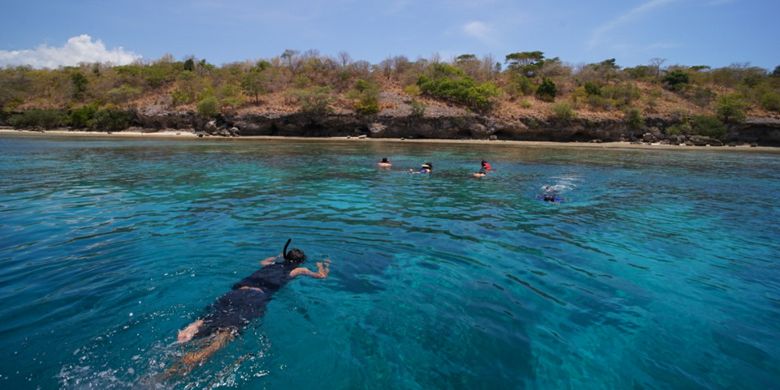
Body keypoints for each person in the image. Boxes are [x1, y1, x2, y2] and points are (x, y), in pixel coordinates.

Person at [166, 239, 330, 376]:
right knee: (229, 332)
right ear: (299, 262)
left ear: (285, 257)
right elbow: (321, 276)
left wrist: (280, 256)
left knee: (214, 315)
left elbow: (263, 261)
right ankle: (198, 355)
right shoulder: (298, 270)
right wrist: (324, 265)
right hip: (256, 296)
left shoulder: (270, 264)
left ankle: (193, 327)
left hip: (237, 291)